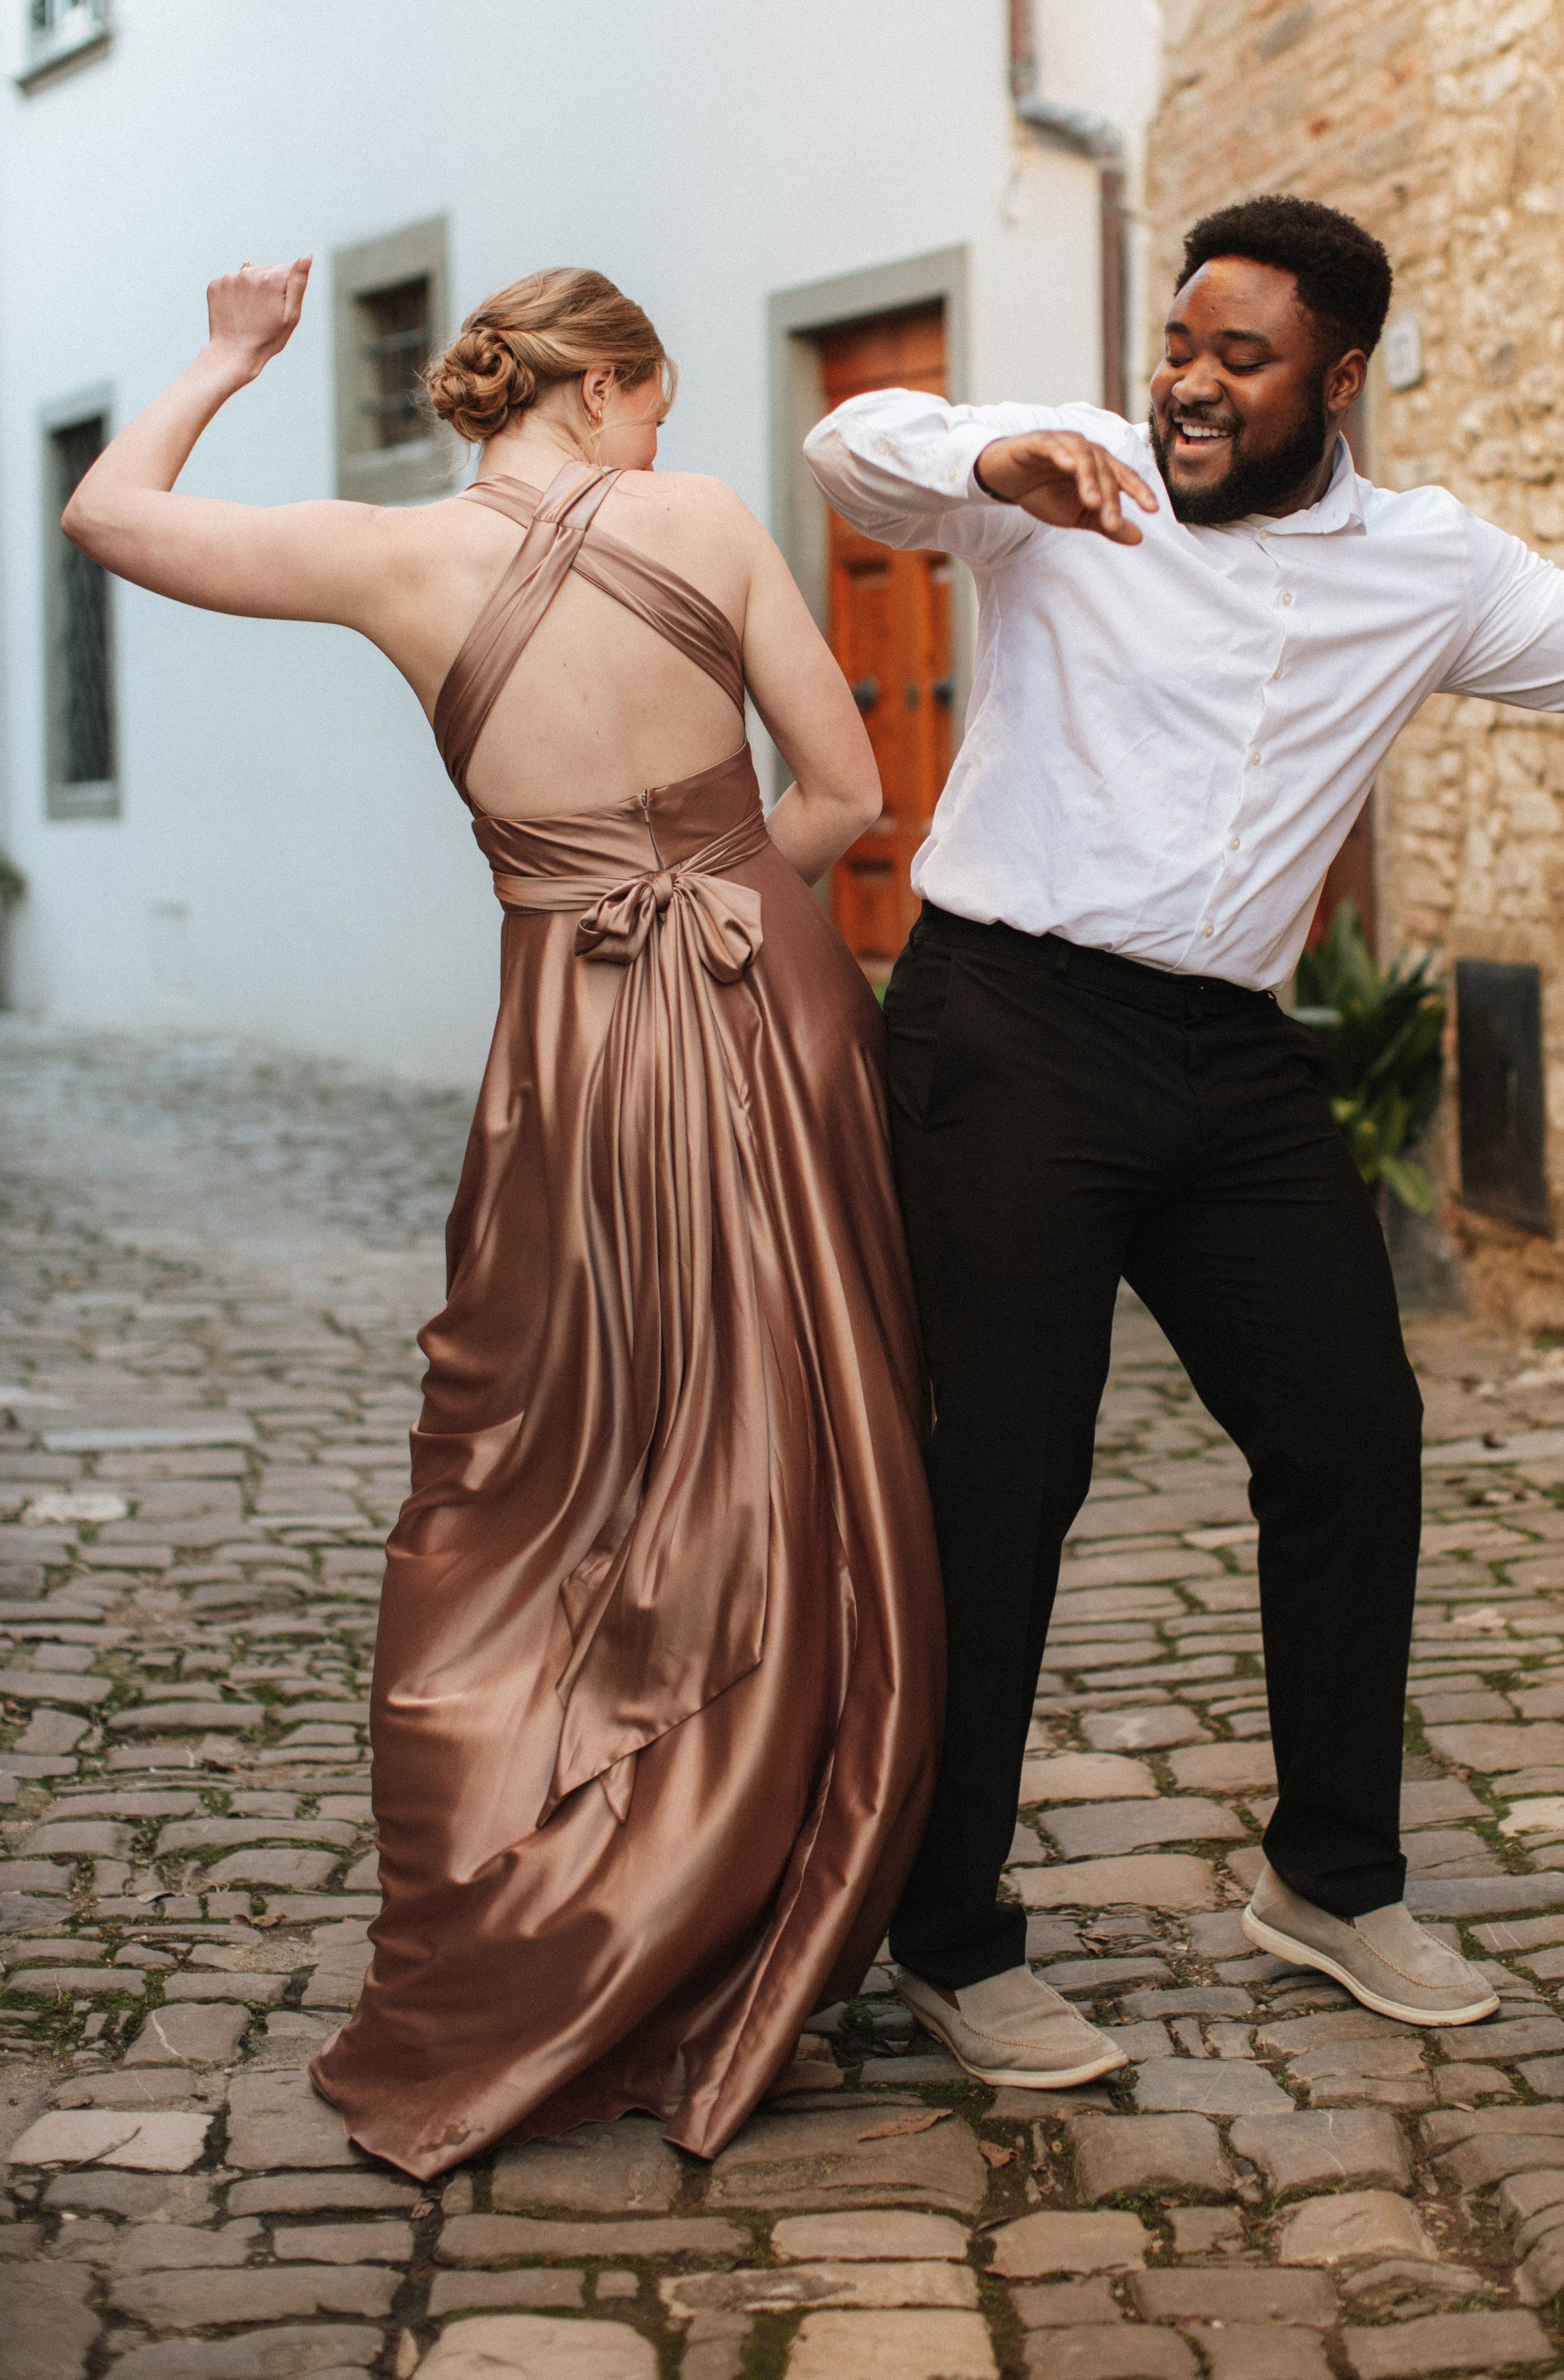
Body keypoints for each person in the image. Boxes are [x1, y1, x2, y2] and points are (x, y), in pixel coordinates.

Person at [806, 192, 1564, 2089]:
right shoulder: (1065, 473)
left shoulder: (1422, 564)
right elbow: (858, 452)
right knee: (1001, 1478)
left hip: (1229, 1056)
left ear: (1335, 381)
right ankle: (947, 1934)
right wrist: (981, 459)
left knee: (1350, 1435)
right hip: (1008, 1028)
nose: (1187, 383)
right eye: (1179, 345)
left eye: (1237, 359)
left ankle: (1330, 1878)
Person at [65, 259, 944, 2174]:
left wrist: (231, 354)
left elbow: (109, 516)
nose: (657, 442)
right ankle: (760, 1893)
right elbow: (847, 791)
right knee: (797, 1430)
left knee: (547, 1457)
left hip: (577, 1045)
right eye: (652, 406)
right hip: (770, 1005)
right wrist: (718, 905)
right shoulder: (704, 522)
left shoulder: (392, 559)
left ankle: (563, 1898)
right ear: (603, 388)